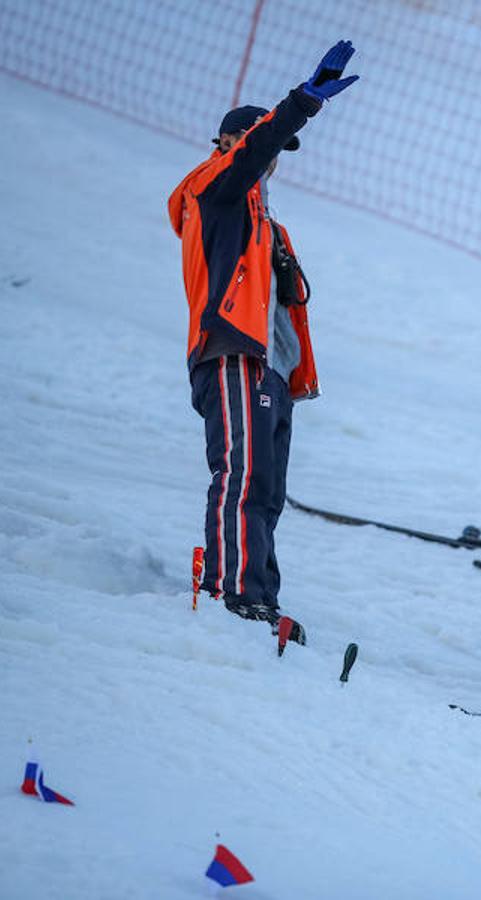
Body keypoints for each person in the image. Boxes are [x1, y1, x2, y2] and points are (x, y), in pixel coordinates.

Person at [168, 41, 360, 643]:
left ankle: (257, 598)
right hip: (231, 352)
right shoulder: (214, 191)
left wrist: (295, 370)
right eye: (261, 146)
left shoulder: (268, 224)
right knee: (242, 476)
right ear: (226, 146)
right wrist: (301, 103)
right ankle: (232, 595)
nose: (273, 159)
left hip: (271, 367)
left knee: (267, 490)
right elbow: (252, 154)